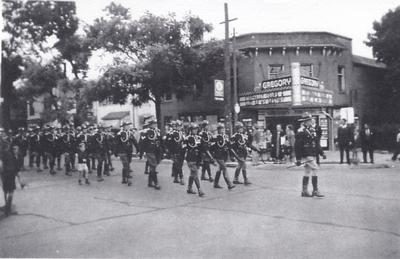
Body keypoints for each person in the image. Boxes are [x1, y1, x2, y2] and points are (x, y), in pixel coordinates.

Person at [295, 115, 324, 198]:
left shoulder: (311, 130)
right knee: (315, 168)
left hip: (312, 153)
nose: (311, 121)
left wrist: (321, 152)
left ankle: (304, 191)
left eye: (311, 120)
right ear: (305, 121)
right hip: (306, 154)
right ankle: (315, 190)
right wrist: (298, 158)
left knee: (307, 171)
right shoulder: (301, 131)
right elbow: (297, 145)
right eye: (309, 120)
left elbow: (316, 142)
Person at [210, 123, 235, 190]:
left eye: (223, 128)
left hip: (224, 155)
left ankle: (215, 183)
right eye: (221, 129)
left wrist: (231, 155)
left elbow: (229, 145)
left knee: (219, 169)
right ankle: (229, 184)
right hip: (218, 155)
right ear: (218, 130)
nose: (222, 130)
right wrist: (212, 157)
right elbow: (211, 147)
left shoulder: (225, 136)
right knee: (224, 168)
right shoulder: (215, 137)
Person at [183, 123, 205, 197]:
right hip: (190, 158)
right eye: (193, 129)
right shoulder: (187, 138)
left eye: (196, 129)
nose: (195, 131)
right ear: (190, 130)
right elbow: (183, 148)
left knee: (192, 174)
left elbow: (201, 148)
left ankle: (189, 188)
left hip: (197, 158)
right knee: (195, 173)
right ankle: (200, 189)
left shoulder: (199, 138)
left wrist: (201, 158)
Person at [140, 119, 163, 190]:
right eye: (153, 124)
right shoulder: (145, 132)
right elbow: (142, 143)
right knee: (153, 166)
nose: (155, 125)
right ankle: (156, 183)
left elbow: (160, 141)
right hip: (149, 151)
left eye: (155, 123)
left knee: (154, 167)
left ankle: (150, 182)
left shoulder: (158, 131)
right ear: (150, 125)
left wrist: (164, 150)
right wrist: (141, 152)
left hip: (157, 151)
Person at [1, 144, 23, 216]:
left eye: (16, 149)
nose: (14, 150)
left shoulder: (5, 154)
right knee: (9, 192)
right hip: (9, 175)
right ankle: (7, 209)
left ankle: (7, 208)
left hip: (7, 175)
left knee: (6, 191)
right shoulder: (9, 155)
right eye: (13, 149)